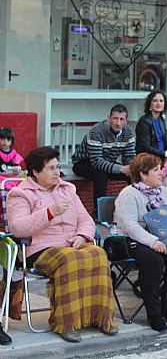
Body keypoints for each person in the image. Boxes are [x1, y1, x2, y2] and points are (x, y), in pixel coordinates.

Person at [7, 147, 118, 343]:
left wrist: (83, 236)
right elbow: (18, 228)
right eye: (50, 168)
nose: (57, 173)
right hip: (40, 248)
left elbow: (85, 218)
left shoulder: (67, 189)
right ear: (35, 171)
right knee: (69, 259)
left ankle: (98, 318)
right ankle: (65, 323)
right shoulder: (20, 193)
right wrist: (49, 213)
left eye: (57, 167)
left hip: (72, 242)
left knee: (98, 254)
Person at [114, 153, 167, 331]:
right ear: (143, 174)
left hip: (164, 236)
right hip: (134, 239)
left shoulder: (164, 191)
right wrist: (153, 241)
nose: (161, 173)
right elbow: (130, 226)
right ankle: (154, 312)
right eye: (156, 170)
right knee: (153, 260)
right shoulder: (129, 194)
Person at [72, 104, 135, 211]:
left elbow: (129, 155)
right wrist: (121, 169)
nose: (118, 123)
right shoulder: (97, 131)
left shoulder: (128, 132)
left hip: (108, 161)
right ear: (109, 118)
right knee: (100, 174)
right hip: (84, 162)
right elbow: (97, 161)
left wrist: (131, 166)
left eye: (121, 119)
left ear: (126, 121)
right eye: (115, 118)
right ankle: (100, 213)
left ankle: (136, 207)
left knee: (133, 174)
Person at [135, 90, 167, 160]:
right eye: (155, 101)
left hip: (161, 156)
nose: (158, 103)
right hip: (148, 159)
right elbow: (145, 147)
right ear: (149, 104)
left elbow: (166, 142)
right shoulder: (144, 121)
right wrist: (166, 153)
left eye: (161, 101)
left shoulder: (161, 119)